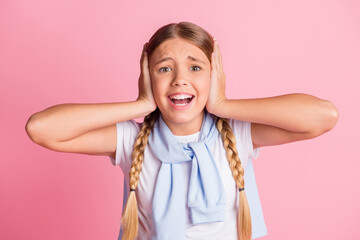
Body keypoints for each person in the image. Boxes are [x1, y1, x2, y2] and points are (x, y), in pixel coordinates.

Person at [25, 22, 339, 240]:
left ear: (214, 74)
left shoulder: (237, 133)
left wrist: (222, 103)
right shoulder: (130, 141)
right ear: (148, 76)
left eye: (195, 67)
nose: (179, 79)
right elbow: (41, 128)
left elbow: (324, 116)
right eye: (164, 68)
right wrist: (141, 104)